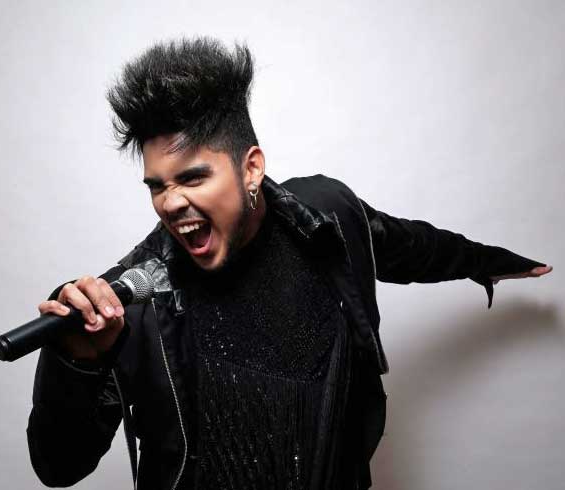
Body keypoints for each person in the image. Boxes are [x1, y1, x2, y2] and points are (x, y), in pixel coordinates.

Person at [27, 37, 552, 490]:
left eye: (192, 178)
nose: (171, 202)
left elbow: (409, 246)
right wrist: (77, 361)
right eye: (157, 186)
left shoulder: (326, 217)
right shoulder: (122, 305)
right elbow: (58, 466)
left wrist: (488, 261)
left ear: (251, 168)